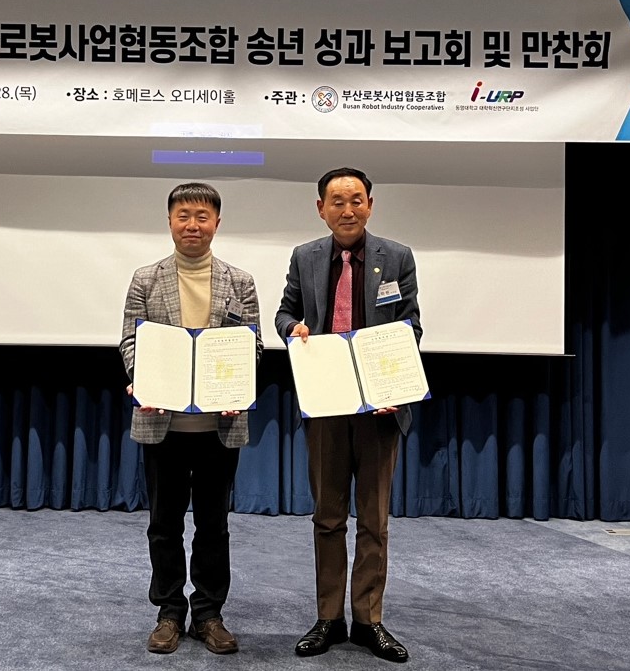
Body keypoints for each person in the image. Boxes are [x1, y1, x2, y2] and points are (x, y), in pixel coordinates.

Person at [275, 167, 421, 663]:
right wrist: (292, 328)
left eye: (356, 200)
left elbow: (409, 326)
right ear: (321, 209)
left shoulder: (396, 257)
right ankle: (328, 618)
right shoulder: (306, 256)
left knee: (374, 521)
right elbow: (285, 312)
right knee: (328, 517)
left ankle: (368, 620)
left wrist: (392, 385)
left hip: (380, 409)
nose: (347, 209)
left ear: (370, 205)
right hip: (326, 404)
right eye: (337, 201)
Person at [119, 182, 262, 655]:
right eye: (183, 215)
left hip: (219, 427)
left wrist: (238, 386)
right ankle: (168, 612)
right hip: (164, 425)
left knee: (213, 525)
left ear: (217, 222)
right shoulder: (146, 278)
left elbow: (252, 346)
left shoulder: (240, 281)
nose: (193, 225)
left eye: (202, 216)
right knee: (163, 525)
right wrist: (142, 380)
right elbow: (131, 342)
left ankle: (208, 613)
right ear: (169, 221)